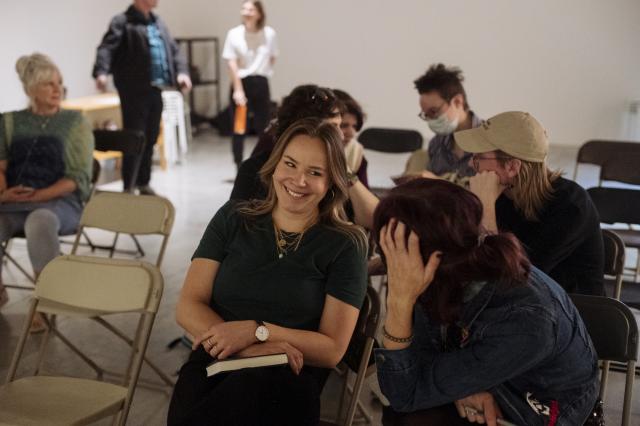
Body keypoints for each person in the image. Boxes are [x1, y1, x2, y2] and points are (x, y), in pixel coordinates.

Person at [167, 118, 367, 425]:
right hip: (217, 359)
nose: (298, 180)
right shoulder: (232, 218)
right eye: (290, 164)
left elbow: (331, 350)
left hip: (288, 373)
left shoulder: (345, 244)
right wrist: (252, 348)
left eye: (315, 172)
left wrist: (257, 331)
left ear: (331, 183)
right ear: (275, 166)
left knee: (252, 393)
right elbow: (188, 306)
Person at [373, 178, 599, 426]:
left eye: (394, 252)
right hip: (489, 376)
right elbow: (418, 367)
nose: (393, 265)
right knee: (403, 416)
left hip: (531, 410)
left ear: (431, 259)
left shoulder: (526, 319)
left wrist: (400, 301)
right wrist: (461, 385)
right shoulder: (446, 272)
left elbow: (404, 392)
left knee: (411, 417)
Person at [455, 111, 604, 295]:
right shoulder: (503, 196)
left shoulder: (571, 206)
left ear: (512, 167)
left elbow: (514, 279)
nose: (471, 164)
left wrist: (485, 207)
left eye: (479, 158)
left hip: (575, 315)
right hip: (523, 311)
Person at [0, 53, 94, 328]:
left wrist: (37, 196)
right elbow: (1, 167)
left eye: (60, 83)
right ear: (31, 90)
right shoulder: (8, 121)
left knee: (39, 220)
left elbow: (77, 178)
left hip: (62, 202)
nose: (58, 90)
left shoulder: (75, 123)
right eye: (49, 84)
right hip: (15, 201)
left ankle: (46, 300)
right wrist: (3, 195)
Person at [234, 85, 379, 229]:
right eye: (334, 127)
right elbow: (236, 227)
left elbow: (374, 219)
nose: (341, 135)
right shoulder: (254, 169)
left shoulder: (342, 163)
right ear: (308, 130)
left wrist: (344, 170)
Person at [92, 0, 191, 195]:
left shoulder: (158, 22)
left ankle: (143, 182)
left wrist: (182, 72)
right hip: (133, 90)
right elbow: (106, 47)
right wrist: (101, 72)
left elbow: (173, 50)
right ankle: (129, 184)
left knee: (151, 136)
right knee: (134, 137)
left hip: (156, 89)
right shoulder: (122, 21)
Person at [223, 0, 278, 170]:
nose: (246, 12)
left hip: (260, 82)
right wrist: (238, 89)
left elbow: (273, 56)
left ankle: (264, 163)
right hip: (241, 83)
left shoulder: (269, 34)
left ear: (259, 13)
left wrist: (262, 69)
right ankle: (238, 165)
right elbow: (231, 62)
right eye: (244, 8)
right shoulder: (234, 34)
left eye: (251, 9)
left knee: (264, 126)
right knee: (239, 127)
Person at [404, 64, 482, 185]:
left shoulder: (491, 140)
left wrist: (439, 182)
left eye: (434, 112)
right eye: (426, 115)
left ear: (457, 102)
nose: (431, 120)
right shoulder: (436, 144)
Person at [333, 89, 369, 188]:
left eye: (354, 126)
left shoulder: (356, 152)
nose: (351, 134)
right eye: (344, 125)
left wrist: (347, 174)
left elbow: (366, 198)